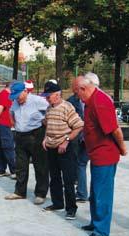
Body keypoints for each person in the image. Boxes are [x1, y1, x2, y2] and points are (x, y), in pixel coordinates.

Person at [76, 73, 127, 236]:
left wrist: (123, 148)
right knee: (95, 191)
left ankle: (101, 230)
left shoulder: (100, 102)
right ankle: (95, 222)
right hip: (96, 153)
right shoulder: (90, 101)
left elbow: (115, 130)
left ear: (84, 89)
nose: (77, 97)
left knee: (102, 193)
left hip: (105, 154)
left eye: (77, 93)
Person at [42, 81, 83, 220]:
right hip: (51, 147)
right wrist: (45, 138)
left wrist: (66, 141)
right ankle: (57, 203)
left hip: (65, 148)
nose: (47, 98)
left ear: (57, 94)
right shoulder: (49, 108)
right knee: (54, 178)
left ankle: (71, 208)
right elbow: (47, 125)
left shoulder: (67, 107)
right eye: (46, 95)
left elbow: (78, 126)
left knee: (68, 179)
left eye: (49, 95)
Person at [3, 82, 49, 205]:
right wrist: (13, 121)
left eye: (19, 96)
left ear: (25, 91)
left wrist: (46, 121)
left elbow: (51, 109)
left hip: (36, 135)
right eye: (15, 97)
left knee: (40, 166)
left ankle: (40, 193)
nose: (17, 99)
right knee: (20, 166)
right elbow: (11, 111)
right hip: (20, 136)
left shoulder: (37, 100)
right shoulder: (15, 103)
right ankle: (20, 192)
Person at [67, 75, 97, 202]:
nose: (76, 93)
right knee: (81, 163)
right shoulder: (72, 100)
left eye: (77, 90)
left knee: (81, 164)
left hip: (89, 138)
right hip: (80, 138)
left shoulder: (96, 100)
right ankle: (83, 193)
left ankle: (82, 193)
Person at [0, 82, 15, 178]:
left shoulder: (0, 94)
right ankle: (14, 171)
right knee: (9, 148)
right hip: (3, 125)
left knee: (0, 148)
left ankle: (1, 170)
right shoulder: (6, 95)